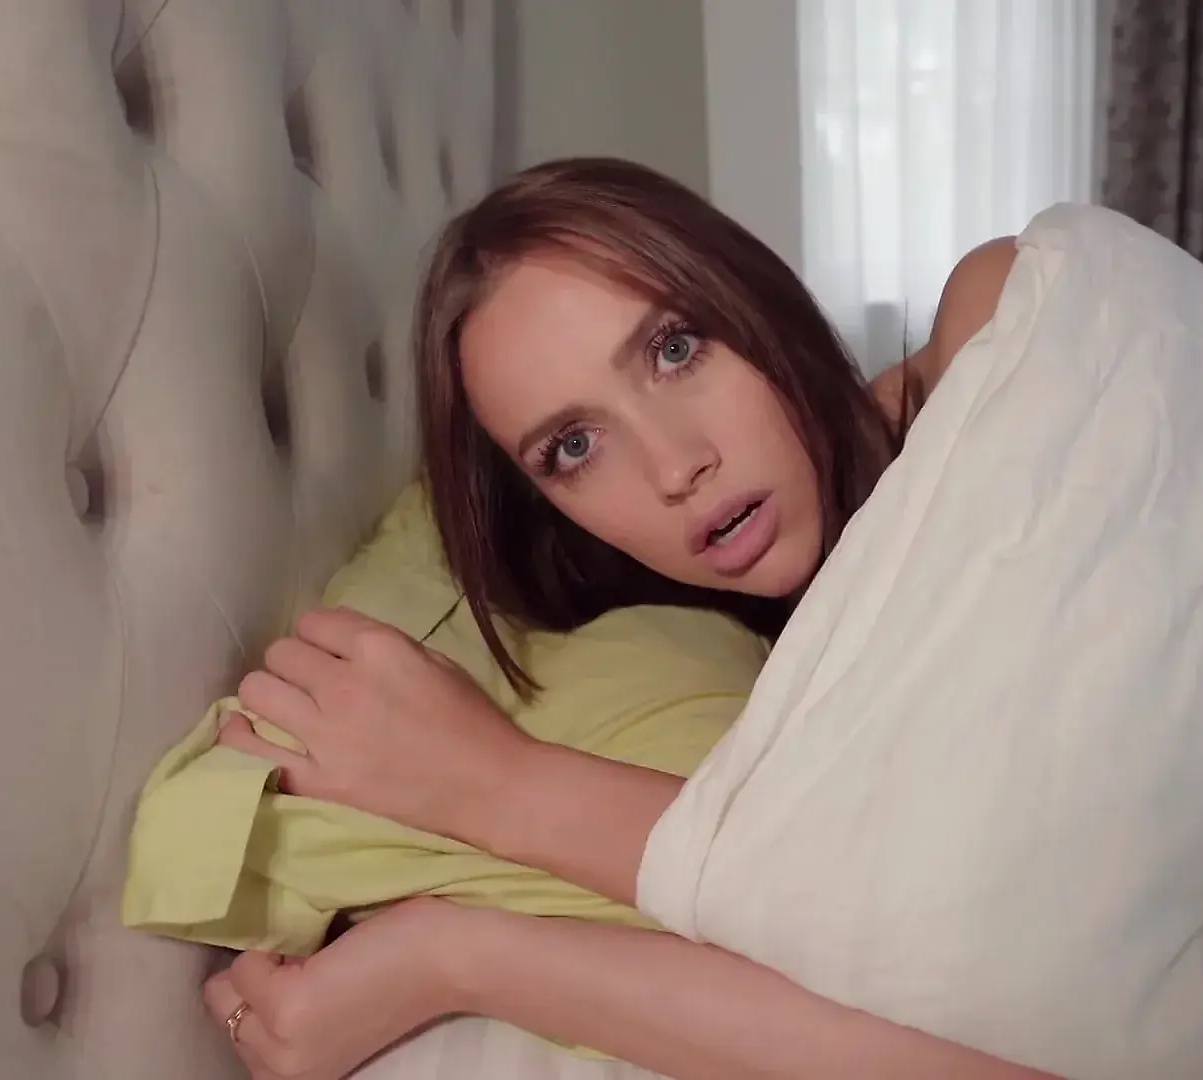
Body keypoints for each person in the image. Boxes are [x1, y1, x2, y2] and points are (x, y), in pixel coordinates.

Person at [200, 157, 1048, 1080]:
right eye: (574, 446)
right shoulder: (752, 669)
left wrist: (490, 798)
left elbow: (983, 953)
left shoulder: (998, 318)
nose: (675, 467)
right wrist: (453, 952)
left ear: (751, 289)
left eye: (675, 349)